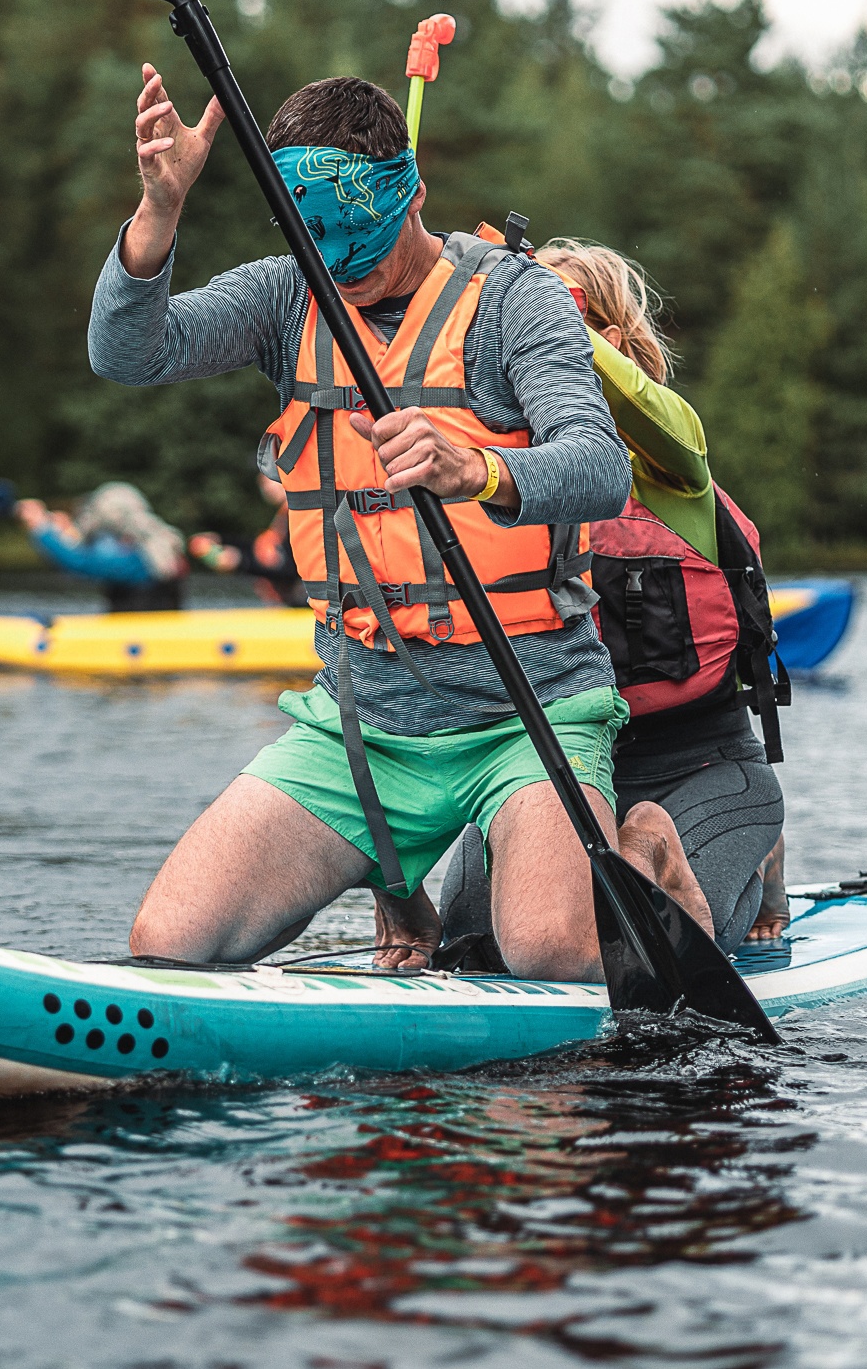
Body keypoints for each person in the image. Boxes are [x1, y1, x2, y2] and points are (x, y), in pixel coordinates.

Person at [95, 64, 706, 980]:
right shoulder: (288, 293)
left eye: (366, 248)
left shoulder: (515, 299)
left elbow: (599, 467)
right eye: (325, 252)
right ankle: (396, 872)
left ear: (412, 191)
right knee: (167, 943)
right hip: (361, 725)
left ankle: (644, 842)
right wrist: (160, 212)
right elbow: (128, 353)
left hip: (526, 713)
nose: (348, 272)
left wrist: (481, 467)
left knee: (547, 949)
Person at [534, 238, 792, 948]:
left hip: (701, 768)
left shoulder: (675, 466)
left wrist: (554, 336)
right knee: (474, 934)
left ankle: (761, 850)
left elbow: (662, 424)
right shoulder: (509, 468)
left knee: (659, 930)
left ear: (606, 340)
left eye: (543, 316)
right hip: (571, 769)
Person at [15, 482, 191, 613]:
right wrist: (58, 529)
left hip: (140, 642)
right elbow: (91, 549)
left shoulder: (144, 560)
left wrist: (41, 527)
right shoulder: (156, 544)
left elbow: (79, 562)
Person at [187, 445, 299, 605]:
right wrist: (221, 539)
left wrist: (241, 561)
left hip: (302, 612)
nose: (262, 483)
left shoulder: (299, 515)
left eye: (268, 475)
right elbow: (261, 549)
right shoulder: (285, 514)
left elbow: (291, 569)